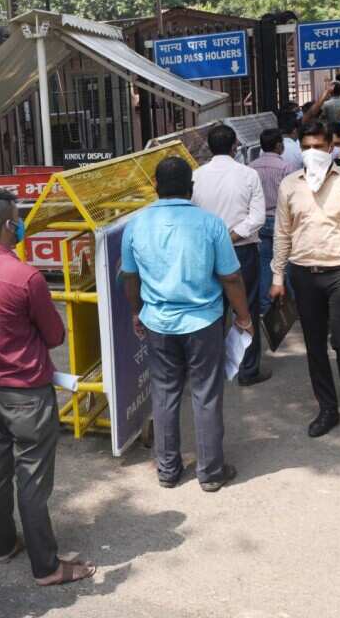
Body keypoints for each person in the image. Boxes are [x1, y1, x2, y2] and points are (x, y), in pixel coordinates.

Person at [0, 189, 95, 587]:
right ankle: (47, 566)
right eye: (17, 218)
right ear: (7, 225)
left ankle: (3, 544)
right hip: (28, 392)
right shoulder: (25, 276)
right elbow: (54, 335)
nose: (20, 224)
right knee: (32, 479)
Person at [122, 157, 251, 492]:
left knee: (164, 395)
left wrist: (137, 311)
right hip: (203, 322)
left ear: (155, 185)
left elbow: (130, 277)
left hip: (158, 323)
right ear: (191, 190)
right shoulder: (211, 224)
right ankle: (210, 472)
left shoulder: (136, 225)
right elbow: (231, 276)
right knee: (206, 394)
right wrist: (243, 315)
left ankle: (168, 470)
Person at [269, 122, 340, 449]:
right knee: (315, 345)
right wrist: (277, 277)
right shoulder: (290, 185)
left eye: (319, 147)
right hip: (304, 274)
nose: (313, 153)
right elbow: (282, 233)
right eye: (306, 147)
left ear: (331, 148)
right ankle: (326, 409)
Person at [193, 125, 268, 386]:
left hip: (207, 253)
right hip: (242, 251)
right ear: (235, 145)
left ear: (209, 147)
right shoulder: (248, 174)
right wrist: (231, 237)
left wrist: (216, 240)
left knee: (213, 311)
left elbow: (193, 215)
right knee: (246, 307)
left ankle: (211, 370)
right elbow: (257, 217)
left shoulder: (197, 176)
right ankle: (248, 370)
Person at [249, 130, 293, 316]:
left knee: (266, 262)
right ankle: (293, 304)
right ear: (277, 145)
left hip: (259, 222)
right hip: (280, 220)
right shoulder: (286, 168)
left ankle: (265, 306)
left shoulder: (251, 168)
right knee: (287, 262)